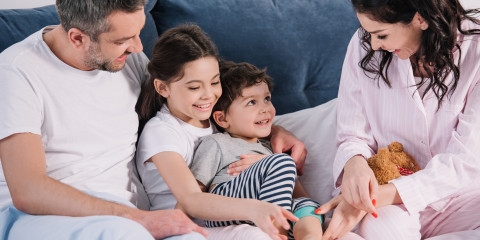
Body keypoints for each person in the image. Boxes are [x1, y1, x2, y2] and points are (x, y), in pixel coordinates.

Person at [316, 0, 480, 239]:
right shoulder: (364, 46)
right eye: (370, 34)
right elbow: (352, 133)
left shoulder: (475, 52)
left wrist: (374, 196)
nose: (373, 44)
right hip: (390, 193)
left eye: (381, 35)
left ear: (420, 19)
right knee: (382, 227)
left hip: (464, 197)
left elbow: (467, 161)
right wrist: (355, 166)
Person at [135, 24, 310, 240]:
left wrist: (277, 131)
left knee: (305, 209)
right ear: (163, 88)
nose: (209, 95)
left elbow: (246, 120)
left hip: (232, 213)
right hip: (186, 225)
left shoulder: (210, 117)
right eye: (194, 87)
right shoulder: (161, 132)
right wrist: (254, 208)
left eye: (215, 82)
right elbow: (190, 198)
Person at [189, 60, 325, 240]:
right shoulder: (216, 143)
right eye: (251, 102)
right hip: (229, 206)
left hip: (266, 206)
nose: (265, 109)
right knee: (282, 161)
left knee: (309, 205)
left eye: (267, 99)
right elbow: (194, 193)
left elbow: (293, 192)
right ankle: (278, 234)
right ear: (222, 119)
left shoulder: (269, 147)